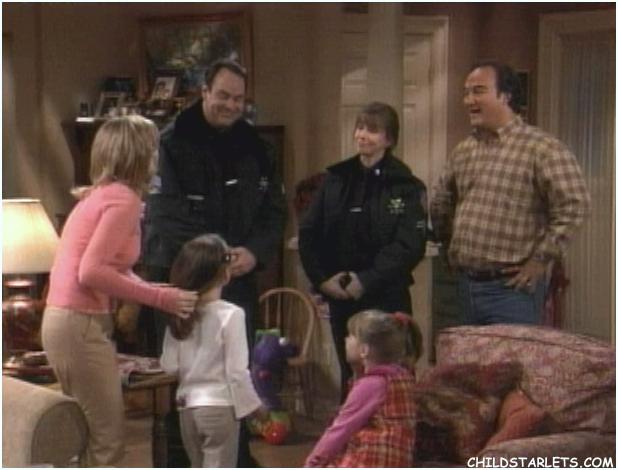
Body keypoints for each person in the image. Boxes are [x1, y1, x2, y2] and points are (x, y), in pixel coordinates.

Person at [141, 59, 287, 466]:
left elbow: (274, 212)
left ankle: (235, 458)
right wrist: (218, 256)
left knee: (236, 369)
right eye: (223, 95)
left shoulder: (258, 147)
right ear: (204, 92)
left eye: (239, 99)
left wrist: (253, 252)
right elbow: (167, 215)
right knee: (179, 379)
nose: (231, 105)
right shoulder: (168, 144)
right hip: (180, 279)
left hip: (238, 277)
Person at [41, 115, 198, 467]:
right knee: (107, 441)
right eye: (152, 149)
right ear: (138, 154)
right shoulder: (122, 199)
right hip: (78, 324)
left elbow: (113, 267)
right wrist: (159, 297)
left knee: (88, 437)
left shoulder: (102, 196)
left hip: (69, 322)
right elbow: (91, 271)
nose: (157, 158)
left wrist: (156, 290)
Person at [430, 60, 590, 326]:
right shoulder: (464, 150)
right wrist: (448, 246)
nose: (469, 100)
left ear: (505, 96)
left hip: (511, 290)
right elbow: (442, 203)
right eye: (466, 93)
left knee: (510, 355)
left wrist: (540, 260)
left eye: (478, 91)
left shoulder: (542, 148)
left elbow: (574, 206)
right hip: (464, 286)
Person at [298, 102, 427, 399]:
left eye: (372, 130)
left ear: (389, 139)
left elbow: (409, 245)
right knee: (351, 376)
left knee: (390, 378)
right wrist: (323, 280)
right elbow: (309, 233)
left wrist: (366, 280)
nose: (362, 135)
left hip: (386, 296)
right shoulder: (335, 180)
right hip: (341, 297)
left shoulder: (406, 186)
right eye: (359, 128)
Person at [160, 234, 267, 468]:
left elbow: (169, 365)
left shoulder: (179, 313)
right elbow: (236, 372)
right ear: (225, 274)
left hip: (186, 407)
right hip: (220, 406)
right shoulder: (232, 314)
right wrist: (255, 406)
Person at [304, 310, 420, 467]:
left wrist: (312, 463)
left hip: (370, 460)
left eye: (350, 336)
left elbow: (340, 430)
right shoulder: (401, 377)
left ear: (364, 350)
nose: (345, 339)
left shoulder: (371, 385)